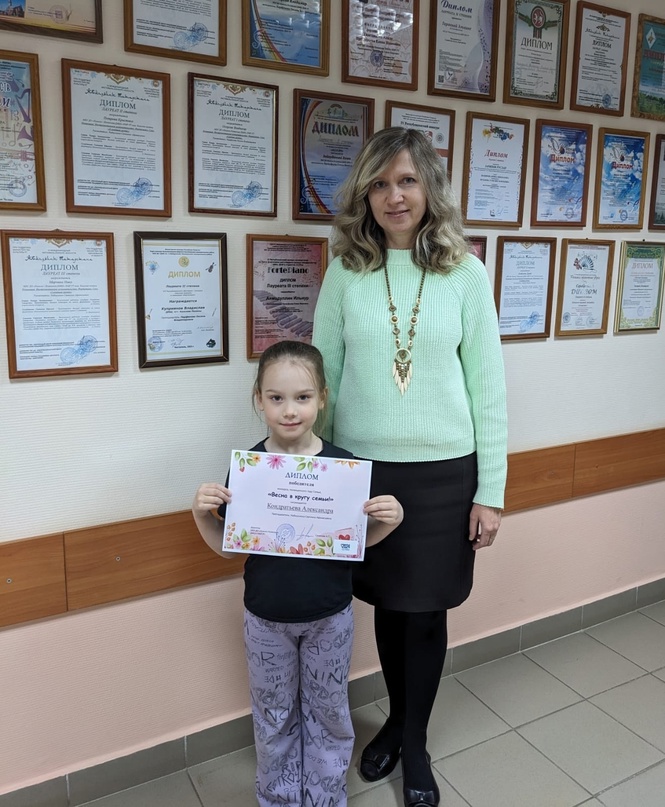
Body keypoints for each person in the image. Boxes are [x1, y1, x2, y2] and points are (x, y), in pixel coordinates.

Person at [312, 128, 507, 807]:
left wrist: (491, 491)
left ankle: (414, 742)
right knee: (390, 608)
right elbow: (323, 376)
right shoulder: (346, 269)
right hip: (364, 473)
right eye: (379, 183)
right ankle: (396, 721)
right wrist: (316, 473)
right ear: (364, 194)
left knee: (425, 614)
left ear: (429, 188)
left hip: (444, 476)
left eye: (406, 181)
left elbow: (488, 387)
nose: (393, 196)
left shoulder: (465, 272)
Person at [192, 340, 404, 807]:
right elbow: (229, 549)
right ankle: (280, 798)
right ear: (259, 399)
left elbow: (354, 543)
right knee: (274, 715)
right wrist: (200, 516)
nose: (290, 410)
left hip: (330, 616)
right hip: (265, 618)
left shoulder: (344, 468)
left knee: (329, 712)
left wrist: (391, 520)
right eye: (276, 398)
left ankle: (326, 796)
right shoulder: (248, 472)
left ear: (322, 398)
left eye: (303, 397)